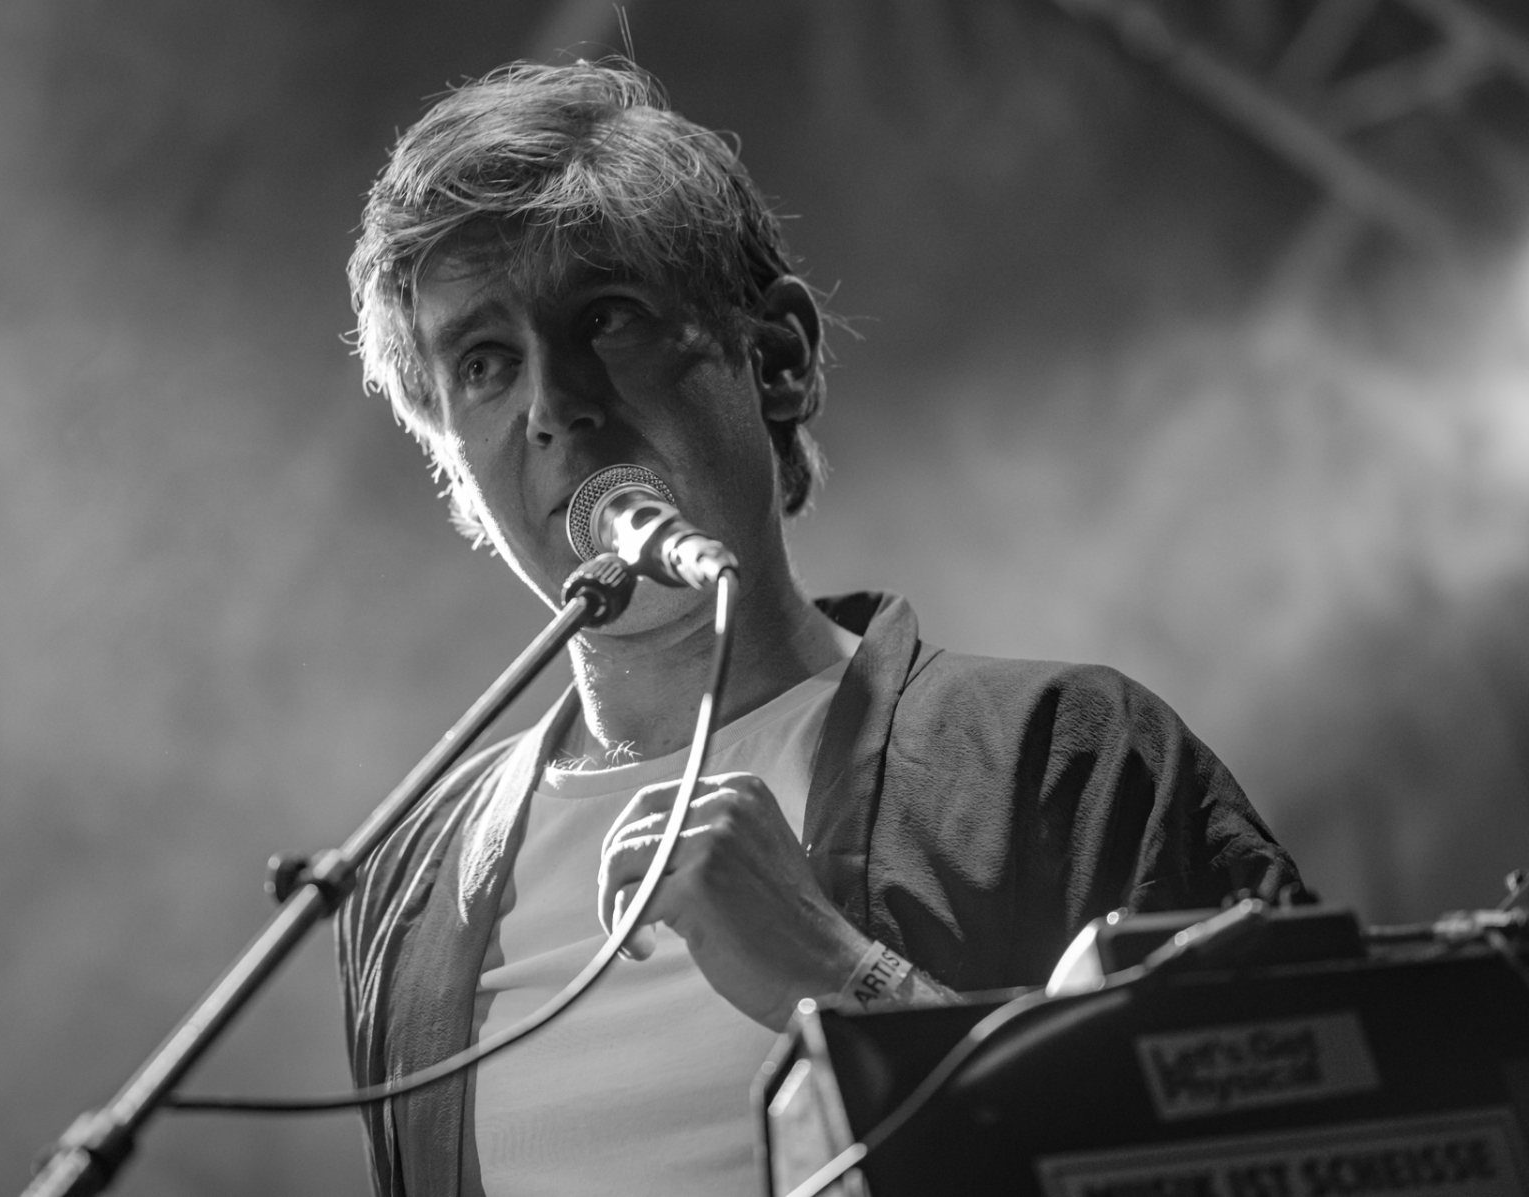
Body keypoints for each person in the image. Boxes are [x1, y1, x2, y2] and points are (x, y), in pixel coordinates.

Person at [338, 59, 1299, 1197]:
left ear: (777, 359)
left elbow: (1291, 1150)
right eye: (484, 364)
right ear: (454, 467)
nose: (553, 405)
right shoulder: (410, 882)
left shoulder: (1066, 757)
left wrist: (844, 979)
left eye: (605, 317)